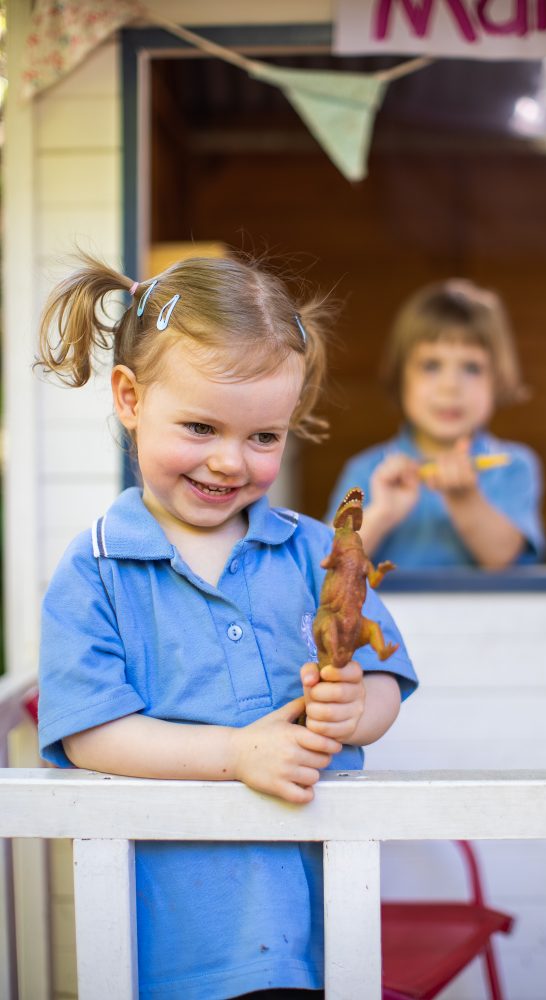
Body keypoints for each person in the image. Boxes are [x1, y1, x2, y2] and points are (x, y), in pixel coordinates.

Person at [36, 252, 417, 1000]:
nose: (227, 462)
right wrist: (236, 753)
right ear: (129, 397)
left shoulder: (316, 552)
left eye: (263, 438)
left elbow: (383, 682)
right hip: (177, 936)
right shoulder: (96, 572)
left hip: (316, 922)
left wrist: (357, 709)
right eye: (200, 426)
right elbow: (90, 733)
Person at [326, 279, 546, 571]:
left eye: (471, 367)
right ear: (400, 377)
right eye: (431, 366)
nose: (450, 387)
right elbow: (329, 563)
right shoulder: (367, 471)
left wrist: (465, 499)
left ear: (498, 380)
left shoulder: (512, 465)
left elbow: (504, 558)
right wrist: (382, 513)